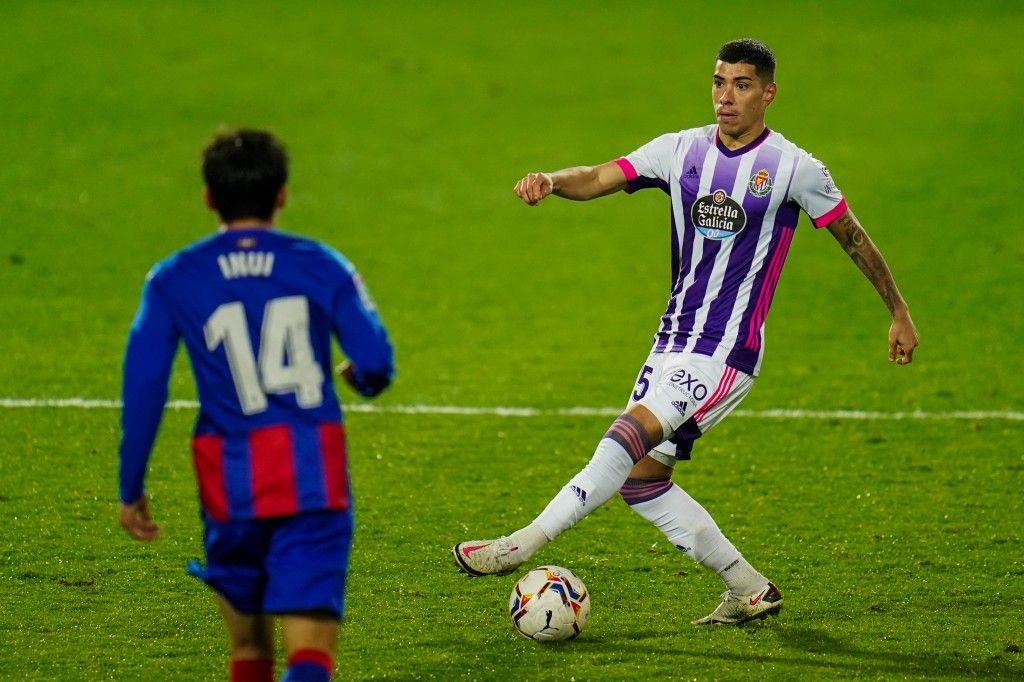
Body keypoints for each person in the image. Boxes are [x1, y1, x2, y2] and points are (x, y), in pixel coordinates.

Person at [453, 38, 918, 625]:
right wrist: (551, 178)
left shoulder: (795, 168)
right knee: (643, 480)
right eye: (720, 82)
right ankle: (749, 588)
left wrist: (897, 310)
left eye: (742, 85)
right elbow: (602, 175)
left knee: (626, 438)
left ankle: (519, 545)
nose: (727, 97)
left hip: (726, 351)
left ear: (769, 93)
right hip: (673, 340)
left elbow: (853, 237)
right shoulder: (681, 150)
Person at [118, 129, 394, 681]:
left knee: (249, 651)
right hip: (312, 474)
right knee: (310, 655)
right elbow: (376, 361)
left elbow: (144, 384)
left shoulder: (173, 277)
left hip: (230, 478)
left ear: (209, 197)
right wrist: (360, 380)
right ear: (282, 194)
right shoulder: (321, 264)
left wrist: (131, 487)